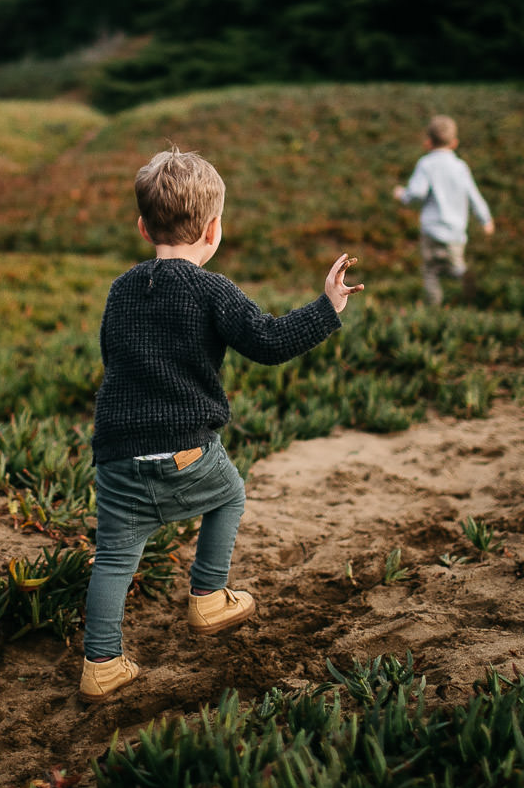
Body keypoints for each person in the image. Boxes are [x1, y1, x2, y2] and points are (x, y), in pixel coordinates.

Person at [80, 145, 363, 702]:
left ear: (143, 227)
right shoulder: (212, 289)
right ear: (213, 230)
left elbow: (114, 353)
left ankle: (102, 665)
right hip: (185, 449)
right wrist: (326, 308)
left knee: (114, 556)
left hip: (116, 452)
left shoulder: (121, 289)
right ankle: (209, 598)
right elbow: (269, 341)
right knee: (228, 494)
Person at [392, 115, 495, 306]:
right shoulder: (460, 167)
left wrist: (402, 195)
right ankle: (471, 296)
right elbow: (474, 196)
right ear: (454, 143)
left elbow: (416, 193)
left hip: (431, 232)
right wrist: (486, 220)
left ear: (428, 142)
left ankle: (434, 309)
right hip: (455, 234)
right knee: (456, 267)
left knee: (431, 271)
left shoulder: (426, 164)